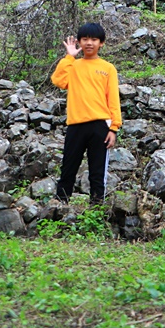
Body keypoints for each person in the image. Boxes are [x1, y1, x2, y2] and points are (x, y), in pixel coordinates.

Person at [50, 22, 122, 204]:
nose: (89, 43)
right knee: (68, 168)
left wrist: (114, 128)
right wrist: (69, 57)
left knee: (97, 171)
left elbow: (113, 99)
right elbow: (58, 80)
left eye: (94, 39)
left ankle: (97, 208)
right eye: (85, 39)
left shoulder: (108, 68)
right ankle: (60, 205)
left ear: (101, 43)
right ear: (79, 42)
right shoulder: (73, 65)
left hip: (100, 126)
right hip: (75, 125)